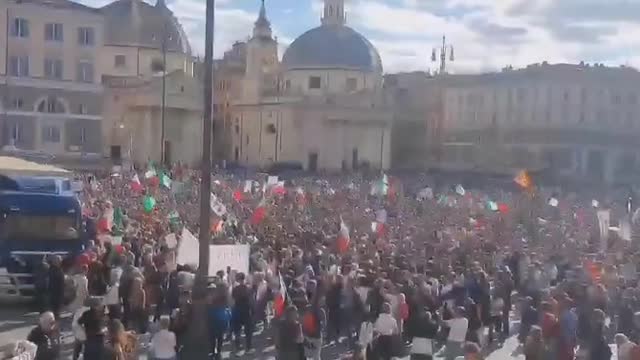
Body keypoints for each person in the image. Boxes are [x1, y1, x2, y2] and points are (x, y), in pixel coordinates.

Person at [231, 272, 254, 353]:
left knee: (237, 330)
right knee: (248, 330)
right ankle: (248, 347)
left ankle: (238, 346)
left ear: (238, 279)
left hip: (237, 309)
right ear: (244, 278)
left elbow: (233, 300)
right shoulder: (248, 288)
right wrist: (253, 310)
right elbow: (251, 301)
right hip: (246, 310)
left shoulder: (235, 289)